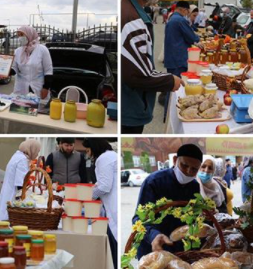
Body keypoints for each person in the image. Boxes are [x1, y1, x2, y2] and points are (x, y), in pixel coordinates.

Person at [121, 0, 182, 134]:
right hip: (131, 106)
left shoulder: (131, 13)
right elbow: (137, 74)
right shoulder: (132, 19)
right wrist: (170, 81)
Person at [133, 144, 203, 259]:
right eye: (184, 165)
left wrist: (203, 217)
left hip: (179, 250)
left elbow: (192, 217)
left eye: (194, 169)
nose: (188, 171)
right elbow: (138, 219)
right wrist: (154, 235)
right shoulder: (154, 181)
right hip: (153, 248)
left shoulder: (194, 186)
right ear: (175, 160)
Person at [82, 139, 118, 269]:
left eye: (87, 151)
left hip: (113, 207)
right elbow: (104, 181)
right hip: (111, 206)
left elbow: (104, 186)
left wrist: (87, 196)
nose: (88, 155)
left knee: (114, 248)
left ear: (94, 147)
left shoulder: (104, 158)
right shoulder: (110, 156)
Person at [163, 1, 200, 120]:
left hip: (172, 57)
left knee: (171, 85)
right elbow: (191, 37)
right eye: (188, 12)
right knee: (176, 86)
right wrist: (198, 39)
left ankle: (167, 113)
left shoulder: (173, 18)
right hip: (178, 58)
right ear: (184, 10)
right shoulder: (180, 20)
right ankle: (172, 114)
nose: (187, 14)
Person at [0, 139, 41, 221]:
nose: (37, 155)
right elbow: (20, 183)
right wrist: (24, 200)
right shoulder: (22, 160)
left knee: (3, 217)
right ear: (32, 149)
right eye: (37, 151)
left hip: (8, 191)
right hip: (12, 194)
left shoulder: (17, 156)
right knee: (9, 220)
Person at [7, 26, 53, 100]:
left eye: (22, 35)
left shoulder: (42, 50)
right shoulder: (18, 51)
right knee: (20, 109)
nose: (19, 37)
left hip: (38, 87)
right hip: (21, 87)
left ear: (29, 34)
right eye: (18, 35)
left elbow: (48, 71)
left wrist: (46, 88)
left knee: (38, 109)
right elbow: (14, 68)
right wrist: (5, 73)